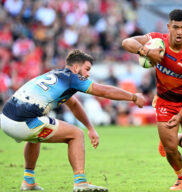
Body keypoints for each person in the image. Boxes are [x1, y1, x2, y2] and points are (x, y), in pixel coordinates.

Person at [0, 49, 145, 192]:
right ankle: (80, 183)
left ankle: (28, 181)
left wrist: (91, 128)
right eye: (87, 69)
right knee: (76, 134)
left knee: (36, 135)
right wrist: (133, 97)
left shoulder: (55, 75)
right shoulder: (72, 78)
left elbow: (74, 104)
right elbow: (103, 91)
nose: (88, 74)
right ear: (76, 67)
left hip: (6, 118)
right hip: (23, 122)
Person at [122, 9, 182, 190]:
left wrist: (181, 114)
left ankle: (174, 137)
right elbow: (127, 42)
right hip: (165, 101)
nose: (179, 32)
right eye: (175, 27)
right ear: (169, 27)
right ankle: (181, 177)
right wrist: (146, 51)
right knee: (170, 148)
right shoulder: (156, 41)